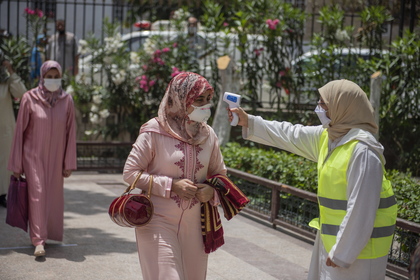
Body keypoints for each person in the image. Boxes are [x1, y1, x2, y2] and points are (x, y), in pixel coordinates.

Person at [228, 79, 397, 280]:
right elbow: (290, 134)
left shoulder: (363, 151)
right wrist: (249, 121)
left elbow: (361, 209)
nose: (319, 108)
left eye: (324, 103)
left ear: (342, 107)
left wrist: (343, 253)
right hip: (333, 242)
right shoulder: (331, 136)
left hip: (360, 254)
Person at [123, 72, 228, 279]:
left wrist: (211, 190)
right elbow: (130, 173)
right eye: (199, 100)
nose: (205, 106)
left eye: (208, 100)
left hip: (196, 225)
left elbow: (220, 175)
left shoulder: (208, 135)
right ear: (180, 99)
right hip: (156, 219)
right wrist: (172, 185)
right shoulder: (154, 131)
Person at [8, 60, 77, 257]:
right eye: (49, 77)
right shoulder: (29, 98)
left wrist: (68, 163)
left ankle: (49, 234)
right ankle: (38, 240)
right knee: (37, 194)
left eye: (56, 77)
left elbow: (71, 133)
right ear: (42, 77)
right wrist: (17, 163)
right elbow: (19, 132)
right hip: (33, 156)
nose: (53, 81)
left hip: (57, 157)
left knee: (53, 197)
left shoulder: (67, 101)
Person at [0, 49, 27, 208]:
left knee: (4, 162)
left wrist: (11, 71)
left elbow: (22, 93)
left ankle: (3, 194)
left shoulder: (6, 81)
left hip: (4, 130)